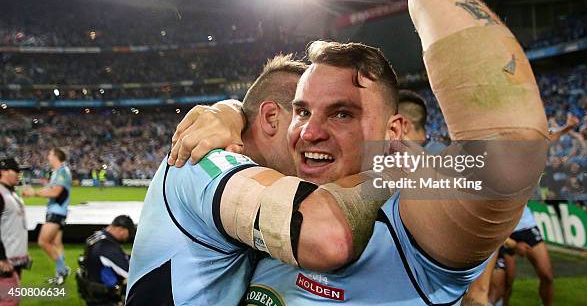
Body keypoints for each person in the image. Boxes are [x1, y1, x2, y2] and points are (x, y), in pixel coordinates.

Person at [171, 0, 548, 305]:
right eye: (301, 112)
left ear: (395, 131)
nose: (309, 132)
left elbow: (511, 145)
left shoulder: (412, 220)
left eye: (342, 114)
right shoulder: (281, 200)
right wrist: (230, 111)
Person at [127, 54, 400, 305]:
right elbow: (326, 239)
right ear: (270, 117)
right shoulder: (200, 160)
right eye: (302, 114)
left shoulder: (237, 156)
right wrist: (393, 171)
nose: (312, 133)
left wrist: (230, 109)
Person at [22, 148, 72, 285]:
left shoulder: (62, 171)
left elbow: (55, 192)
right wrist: (34, 192)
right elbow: (49, 189)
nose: (48, 156)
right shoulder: (56, 172)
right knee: (56, 243)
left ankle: (63, 270)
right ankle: (60, 273)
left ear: (56, 156)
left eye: (50, 154)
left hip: (57, 212)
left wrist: (34, 193)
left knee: (43, 242)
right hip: (57, 211)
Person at [77, 215, 135, 306]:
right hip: (105, 299)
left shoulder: (96, 236)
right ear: (121, 229)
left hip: (93, 292)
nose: (126, 238)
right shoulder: (106, 246)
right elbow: (128, 272)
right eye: (128, 233)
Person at [0, 158, 30, 306]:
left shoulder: (11, 193)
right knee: (8, 301)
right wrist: (1, 258)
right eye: (15, 171)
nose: (19, 174)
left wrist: (23, 251)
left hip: (15, 260)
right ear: (3, 172)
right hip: (5, 262)